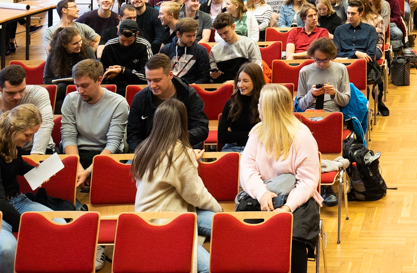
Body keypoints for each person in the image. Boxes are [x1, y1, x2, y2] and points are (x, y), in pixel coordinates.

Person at [0, 105, 65, 273]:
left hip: (17, 201)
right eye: (27, 135)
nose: (29, 139)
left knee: (59, 225)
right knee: (8, 249)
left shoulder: (11, 144)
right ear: (12, 129)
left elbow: (17, 165)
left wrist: (38, 172)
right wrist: (28, 226)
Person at [239, 84, 323, 273]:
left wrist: (286, 208)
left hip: (296, 199)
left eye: (260, 103)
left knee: (292, 237)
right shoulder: (256, 133)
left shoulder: (302, 136)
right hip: (262, 196)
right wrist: (262, 194)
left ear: (269, 108)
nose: (257, 107)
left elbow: (308, 181)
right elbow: (247, 169)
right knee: (247, 234)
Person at [131, 100, 223, 273]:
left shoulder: (144, 148)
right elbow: (196, 195)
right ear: (182, 123)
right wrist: (220, 210)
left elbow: (168, 173)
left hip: (146, 219)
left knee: (220, 222)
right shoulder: (180, 152)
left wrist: (189, 160)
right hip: (168, 225)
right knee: (211, 266)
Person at [61, 59, 128, 180]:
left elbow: (113, 144)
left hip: (106, 153)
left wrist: (88, 172)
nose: (80, 91)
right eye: (77, 86)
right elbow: (68, 137)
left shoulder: (118, 103)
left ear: (99, 80)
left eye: (85, 86)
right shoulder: (70, 100)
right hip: (78, 152)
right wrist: (78, 168)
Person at [128, 54, 209, 151]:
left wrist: (174, 140)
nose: (152, 85)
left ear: (170, 75)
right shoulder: (140, 98)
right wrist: (141, 153)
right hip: (150, 151)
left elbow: (201, 129)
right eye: (148, 80)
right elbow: (133, 135)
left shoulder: (188, 94)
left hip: (182, 149)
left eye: (157, 80)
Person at [0, 64, 54, 154]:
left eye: (21, 90)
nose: (17, 97)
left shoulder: (38, 94)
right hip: (4, 154)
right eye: (11, 93)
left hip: (38, 150)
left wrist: (35, 155)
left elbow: (45, 124)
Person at [44, 25, 95, 107]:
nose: (80, 45)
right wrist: (62, 80)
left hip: (83, 87)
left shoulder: (88, 50)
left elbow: (94, 74)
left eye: (80, 41)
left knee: (62, 88)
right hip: (62, 91)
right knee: (60, 98)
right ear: (64, 45)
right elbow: (46, 79)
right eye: (75, 43)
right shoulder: (54, 53)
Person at [217, 62, 265, 151]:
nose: (240, 85)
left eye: (245, 81)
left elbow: (267, 135)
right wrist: (250, 134)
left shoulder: (265, 103)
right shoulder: (231, 103)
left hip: (259, 148)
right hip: (233, 148)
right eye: (238, 80)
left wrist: (236, 138)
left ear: (256, 81)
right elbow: (222, 136)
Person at [296, 38, 351, 113]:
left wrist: (334, 93)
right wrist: (311, 94)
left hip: (332, 112)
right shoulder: (304, 71)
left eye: (325, 60)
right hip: (310, 113)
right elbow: (301, 105)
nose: (322, 64)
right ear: (312, 56)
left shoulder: (341, 69)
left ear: (331, 56)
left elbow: (345, 102)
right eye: (318, 60)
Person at [100, 19, 153, 91]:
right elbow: (102, 74)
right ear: (118, 32)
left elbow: (148, 76)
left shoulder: (144, 45)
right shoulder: (109, 46)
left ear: (137, 34)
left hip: (137, 87)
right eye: (123, 40)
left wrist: (122, 71)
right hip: (113, 86)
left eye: (130, 41)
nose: (126, 44)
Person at [209, 12, 260, 82]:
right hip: (223, 86)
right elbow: (213, 75)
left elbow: (257, 71)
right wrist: (213, 75)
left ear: (233, 26)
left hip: (245, 85)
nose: (223, 36)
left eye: (226, 32)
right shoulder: (215, 50)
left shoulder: (249, 44)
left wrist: (236, 82)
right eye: (220, 34)